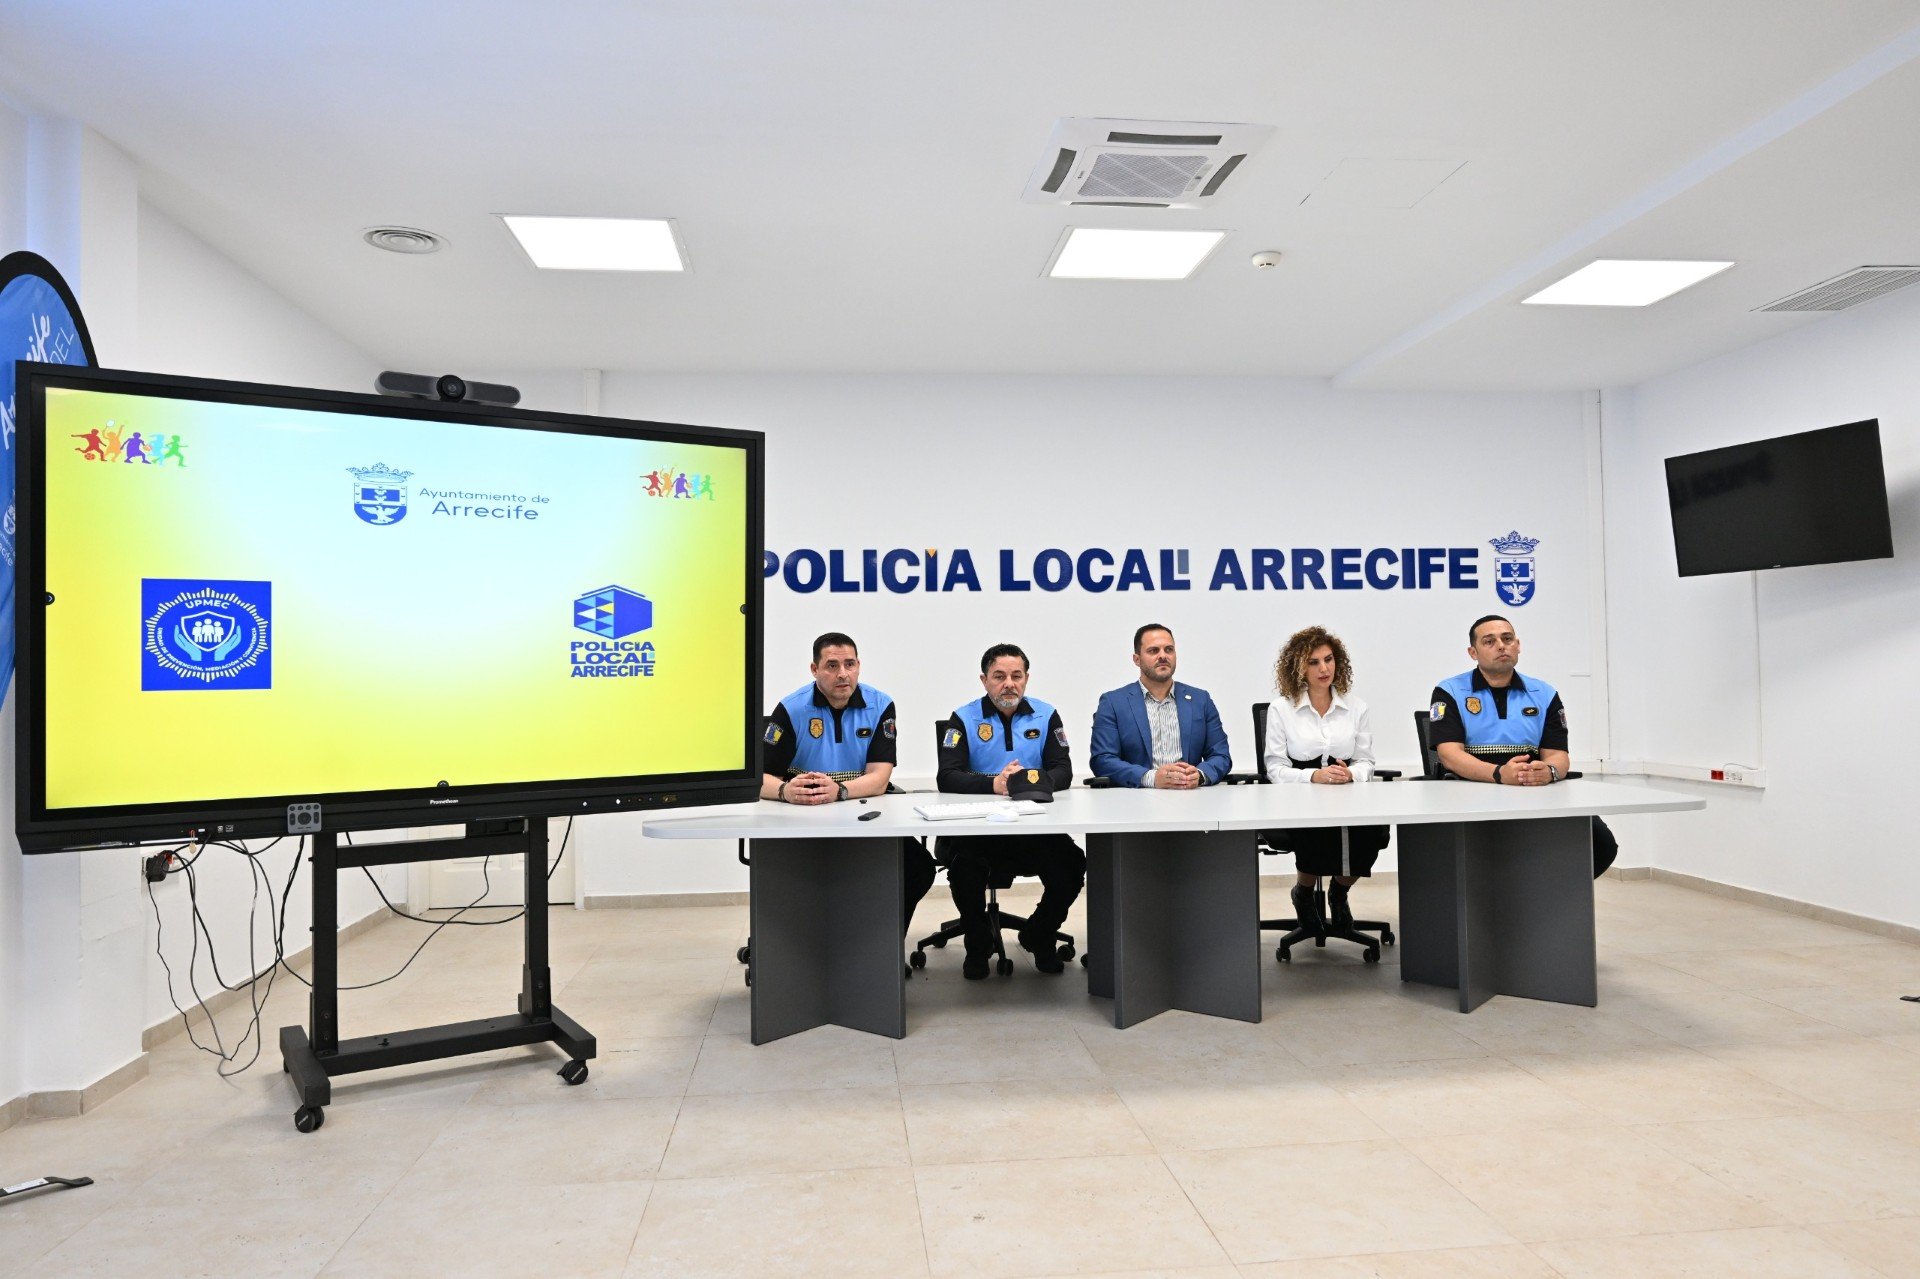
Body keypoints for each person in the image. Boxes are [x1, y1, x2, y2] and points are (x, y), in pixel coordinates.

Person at [762, 632, 936, 933]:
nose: (843, 674)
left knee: (919, 869)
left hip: (863, 813)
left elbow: (880, 778)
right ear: (814, 670)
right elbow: (759, 778)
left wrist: (839, 790)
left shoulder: (880, 705)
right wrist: (785, 791)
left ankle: (883, 946)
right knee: (795, 874)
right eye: (831, 665)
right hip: (804, 816)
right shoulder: (791, 709)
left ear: (858, 666)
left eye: (850, 664)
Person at [935, 643, 1086, 979]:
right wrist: (995, 785)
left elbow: (1063, 770)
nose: (1009, 684)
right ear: (984, 680)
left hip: (1032, 826)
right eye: (999, 676)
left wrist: (1024, 783)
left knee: (1072, 865)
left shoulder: (1046, 715)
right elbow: (947, 776)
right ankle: (978, 943)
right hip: (977, 829)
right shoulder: (963, 718)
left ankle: (1039, 933)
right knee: (964, 871)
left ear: (1026, 679)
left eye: (1016, 676)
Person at [1428, 614, 1617, 876]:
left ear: (1518, 645)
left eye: (1507, 639)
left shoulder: (1544, 693)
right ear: (1473, 652)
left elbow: (1558, 756)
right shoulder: (1450, 691)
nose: (1501, 646)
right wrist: (1498, 774)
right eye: (1489, 641)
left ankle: (1547, 899)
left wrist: (1548, 772)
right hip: (1472, 791)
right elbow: (1449, 755)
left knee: (1601, 844)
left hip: (1533, 791)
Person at [1262, 625, 1390, 937]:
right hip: (1300, 794)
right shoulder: (1282, 709)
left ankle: (1339, 892)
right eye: (1314, 662)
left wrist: (1352, 773)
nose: (1324, 668)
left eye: (1329, 660)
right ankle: (1303, 893)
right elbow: (1274, 768)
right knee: (1315, 832)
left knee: (1372, 832)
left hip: (1348, 792)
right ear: (1298, 668)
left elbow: (1366, 761)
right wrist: (1313, 776)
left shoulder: (1355, 706)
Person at [1088, 623, 1232, 789]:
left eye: (1169, 650)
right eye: (1153, 651)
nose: (1163, 656)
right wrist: (1152, 778)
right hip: (1135, 801)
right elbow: (1102, 760)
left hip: (1192, 797)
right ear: (1137, 659)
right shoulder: (1113, 703)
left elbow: (1221, 755)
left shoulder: (1200, 700)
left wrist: (1199, 775)